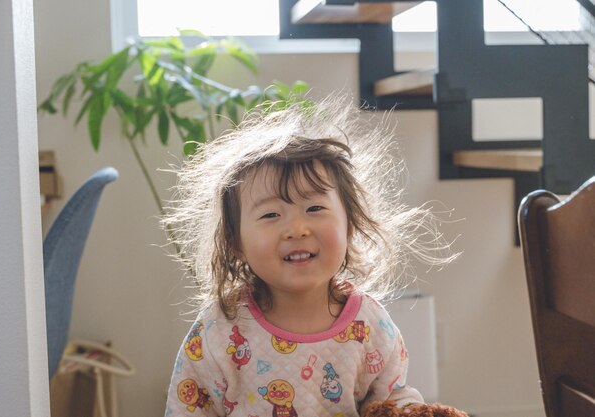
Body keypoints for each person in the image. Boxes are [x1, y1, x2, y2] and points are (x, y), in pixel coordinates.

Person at [162, 95, 456, 416]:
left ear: (350, 225)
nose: (297, 229)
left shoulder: (369, 325)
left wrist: (408, 410)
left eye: (314, 208)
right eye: (271, 215)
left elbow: (390, 402)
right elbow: (188, 407)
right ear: (236, 243)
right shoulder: (219, 329)